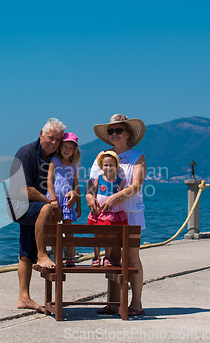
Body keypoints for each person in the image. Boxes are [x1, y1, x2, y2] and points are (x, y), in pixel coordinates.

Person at [7, 118, 78, 313]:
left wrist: (73, 192)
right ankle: (42, 255)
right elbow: (24, 189)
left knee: (25, 251)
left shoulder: (55, 156)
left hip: (38, 205)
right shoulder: (26, 153)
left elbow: (65, 178)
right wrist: (50, 202)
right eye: (50, 138)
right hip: (18, 204)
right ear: (41, 134)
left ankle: (24, 297)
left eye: (57, 139)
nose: (54, 143)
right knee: (48, 210)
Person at [86, 113, 146, 316]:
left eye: (118, 130)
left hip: (130, 211)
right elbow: (91, 184)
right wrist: (89, 198)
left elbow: (136, 185)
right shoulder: (101, 157)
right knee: (111, 256)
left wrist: (116, 198)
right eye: (111, 131)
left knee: (131, 257)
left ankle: (136, 303)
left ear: (128, 134)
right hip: (106, 215)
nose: (114, 133)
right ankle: (113, 303)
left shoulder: (137, 156)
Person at [46, 132, 82, 267]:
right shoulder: (54, 161)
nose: (67, 150)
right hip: (54, 200)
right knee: (54, 231)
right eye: (65, 147)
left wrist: (79, 205)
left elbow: (76, 186)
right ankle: (57, 259)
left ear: (74, 151)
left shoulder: (73, 166)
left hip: (68, 201)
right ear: (60, 147)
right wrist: (52, 199)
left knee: (69, 231)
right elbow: (49, 181)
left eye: (71, 148)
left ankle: (70, 258)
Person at [87, 150, 127, 267]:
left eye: (111, 165)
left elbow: (120, 197)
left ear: (116, 167)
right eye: (105, 165)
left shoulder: (119, 181)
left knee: (109, 235)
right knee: (98, 234)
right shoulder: (98, 178)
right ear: (101, 166)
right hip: (99, 212)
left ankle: (107, 257)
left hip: (111, 213)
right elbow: (92, 193)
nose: (108, 167)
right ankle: (96, 257)